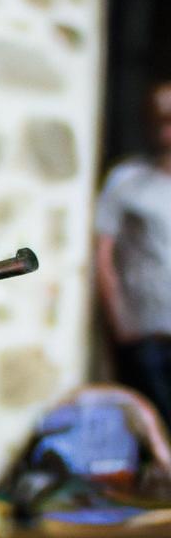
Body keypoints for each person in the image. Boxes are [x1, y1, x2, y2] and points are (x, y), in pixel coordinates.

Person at [95, 80, 171, 430]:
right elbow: (103, 254)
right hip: (146, 331)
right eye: (160, 120)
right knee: (155, 427)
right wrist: (120, 323)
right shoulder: (127, 180)